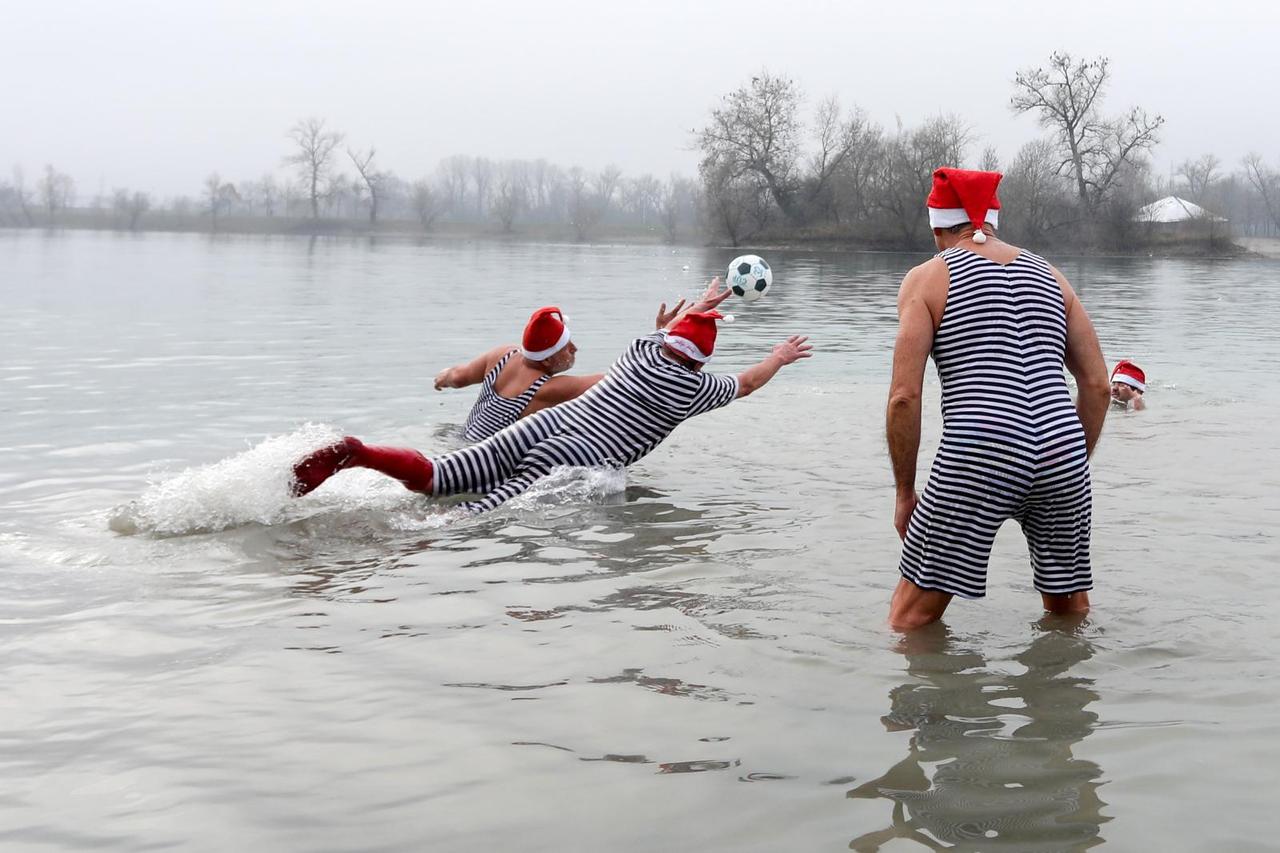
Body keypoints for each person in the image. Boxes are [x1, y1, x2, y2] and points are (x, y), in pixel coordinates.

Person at [291, 279, 812, 513]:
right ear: (701, 361)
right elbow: (743, 384)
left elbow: (668, 332)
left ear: (664, 339)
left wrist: (699, 303)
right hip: (574, 458)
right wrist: (779, 357)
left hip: (530, 431)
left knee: (439, 479)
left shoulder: (638, 349)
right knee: (467, 517)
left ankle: (359, 453)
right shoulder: (693, 388)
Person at [885, 167, 1111, 631]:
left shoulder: (927, 279)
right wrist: (1066, 461)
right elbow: (1098, 386)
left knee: (910, 618)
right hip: (1062, 447)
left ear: (936, 226)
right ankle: (1059, 697)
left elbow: (904, 398)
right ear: (992, 220)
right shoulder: (1051, 274)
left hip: (979, 450)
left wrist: (906, 493)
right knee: (1069, 612)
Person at [433, 306, 602, 442]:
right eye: (566, 347)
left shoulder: (502, 355)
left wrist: (444, 377)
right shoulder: (544, 390)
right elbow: (613, 381)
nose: (575, 348)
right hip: (483, 461)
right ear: (547, 361)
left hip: (459, 441)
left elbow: (458, 377)